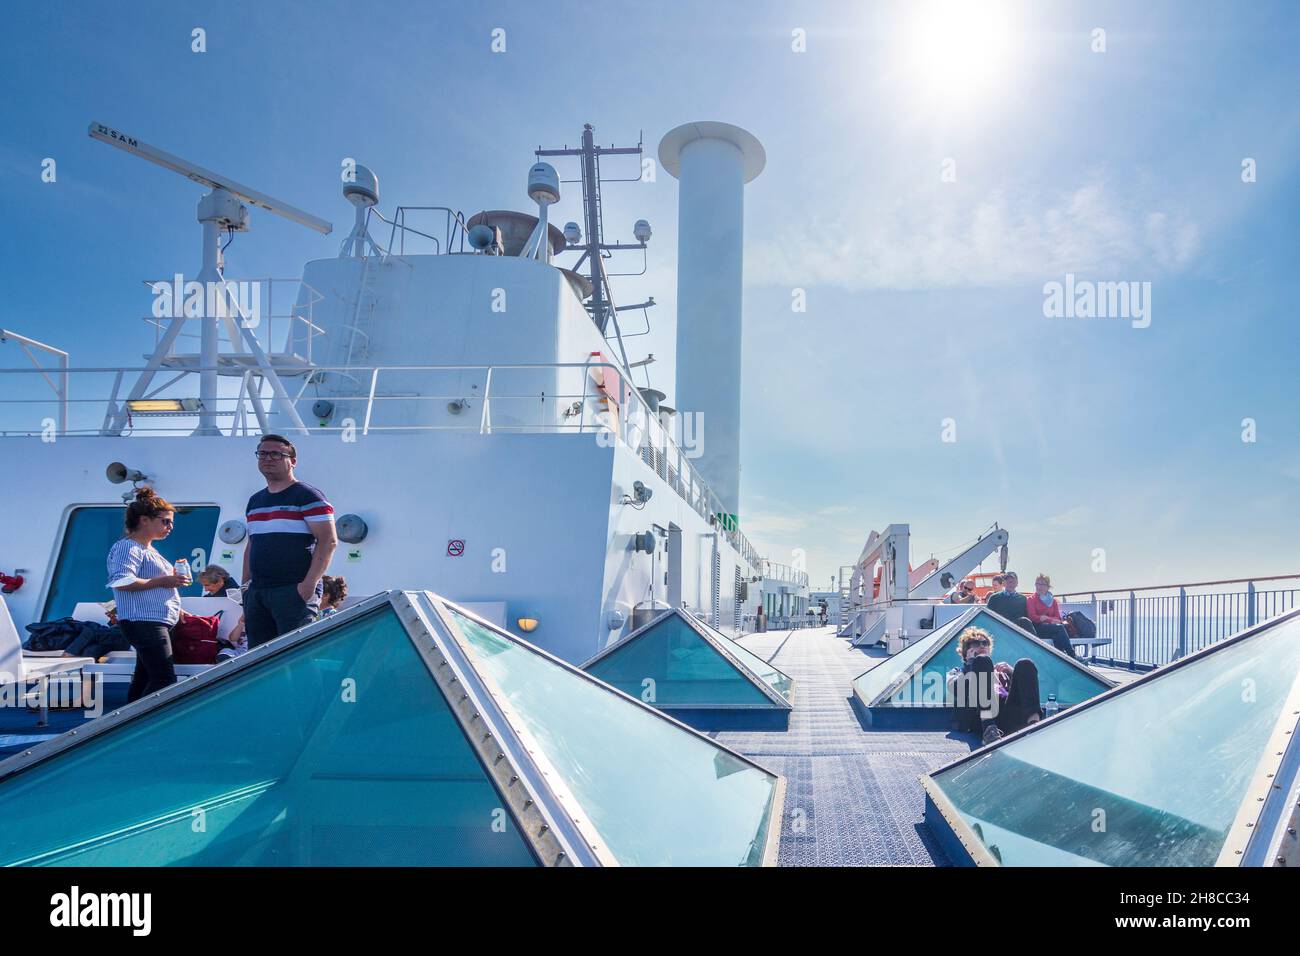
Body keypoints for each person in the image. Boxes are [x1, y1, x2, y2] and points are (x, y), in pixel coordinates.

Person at [242, 435, 338, 648]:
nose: (268, 458)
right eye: (263, 453)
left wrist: (308, 586)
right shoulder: (255, 501)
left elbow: (328, 541)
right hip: (257, 593)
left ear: (292, 461)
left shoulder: (308, 496)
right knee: (259, 661)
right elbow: (252, 544)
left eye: (276, 454)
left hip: (293, 590)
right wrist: (245, 586)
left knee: (296, 657)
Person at [106, 487, 186, 702]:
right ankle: (145, 725)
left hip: (154, 621)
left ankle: (126, 723)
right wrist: (165, 581)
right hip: (143, 622)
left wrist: (176, 604)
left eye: (171, 522)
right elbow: (122, 581)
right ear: (144, 520)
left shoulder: (149, 550)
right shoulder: (128, 547)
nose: (170, 527)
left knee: (145, 678)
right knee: (164, 679)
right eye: (165, 521)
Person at [946, 626, 1043, 744]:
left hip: (1009, 715)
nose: (982, 646)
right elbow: (956, 689)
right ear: (966, 650)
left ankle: (1034, 725)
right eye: (976, 643)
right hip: (981, 718)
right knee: (982, 661)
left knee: (1025, 664)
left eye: (985, 643)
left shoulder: (1001, 671)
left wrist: (1012, 673)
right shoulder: (957, 671)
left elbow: (1024, 691)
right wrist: (971, 664)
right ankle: (989, 729)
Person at [1026, 573, 1076, 658]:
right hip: (1037, 628)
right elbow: (1032, 617)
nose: (1039, 586)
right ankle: (1072, 655)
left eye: (1042, 584)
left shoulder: (1053, 601)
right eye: (1037, 584)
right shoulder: (1031, 599)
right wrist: (1050, 620)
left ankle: (1061, 658)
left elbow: (1058, 618)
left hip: (1051, 628)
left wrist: (1044, 618)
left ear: (1048, 587)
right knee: (1059, 628)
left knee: (1056, 634)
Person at [199, 564, 246, 651]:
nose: (205, 589)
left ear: (220, 581)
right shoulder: (208, 598)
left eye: (208, 585)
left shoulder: (239, 597)